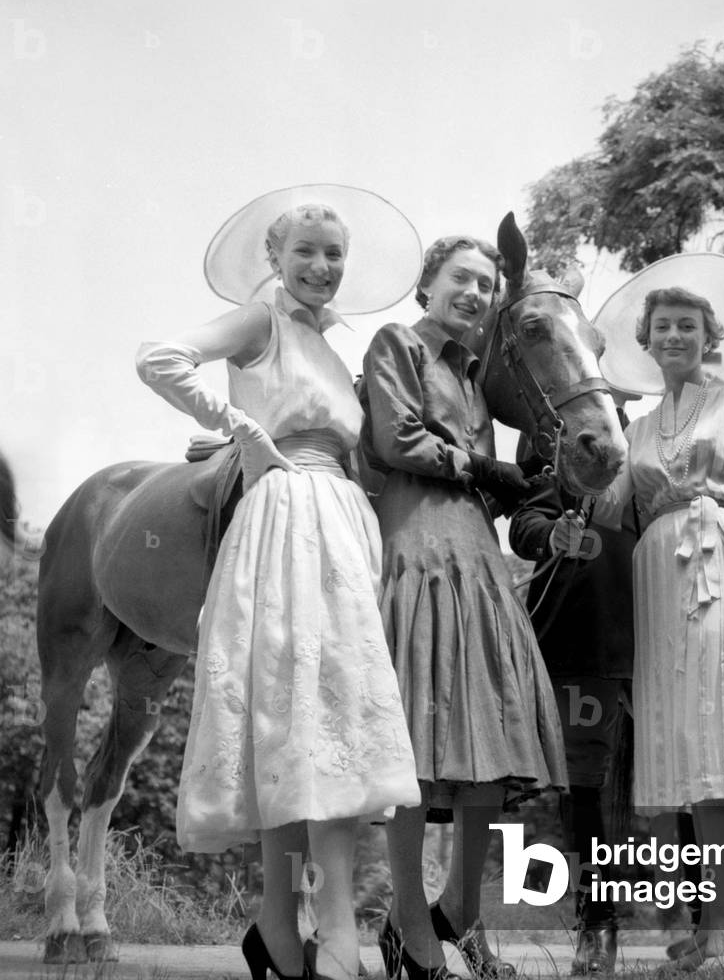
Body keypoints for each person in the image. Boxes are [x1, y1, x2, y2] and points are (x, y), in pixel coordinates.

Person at [136, 190, 422, 980]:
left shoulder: (342, 344)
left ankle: (282, 930)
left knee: (330, 720)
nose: (322, 267)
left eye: (333, 254)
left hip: (341, 520)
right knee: (296, 712)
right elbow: (158, 358)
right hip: (285, 514)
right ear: (275, 257)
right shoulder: (259, 321)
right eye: (306, 252)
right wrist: (242, 431)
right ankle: (332, 936)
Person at [359, 235, 568, 980]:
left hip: (478, 557)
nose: (475, 293)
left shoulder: (480, 379)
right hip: (417, 548)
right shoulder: (398, 345)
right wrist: (478, 464)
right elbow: (395, 439)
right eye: (461, 279)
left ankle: (463, 912)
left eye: (486, 284)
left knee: (489, 741)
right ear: (427, 284)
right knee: (418, 747)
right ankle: (409, 926)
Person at [592, 266, 724, 971]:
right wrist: (584, 421)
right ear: (645, 340)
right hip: (652, 574)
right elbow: (604, 509)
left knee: (711, 745)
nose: (674, 334)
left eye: (688, 325)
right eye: (663, 326)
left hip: (718, 564)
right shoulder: (635, 426)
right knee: (667, 747)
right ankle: (688, 921)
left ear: (710, 337)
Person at [508, 391, 638, 976]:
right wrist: (550, 536)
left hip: (653, 627)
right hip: (577, 636)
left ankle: (704, 922)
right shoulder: (550, 447)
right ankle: (597, 919)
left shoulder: (648, 448)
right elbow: (525, 521)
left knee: (669, 781)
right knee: (583, 786)